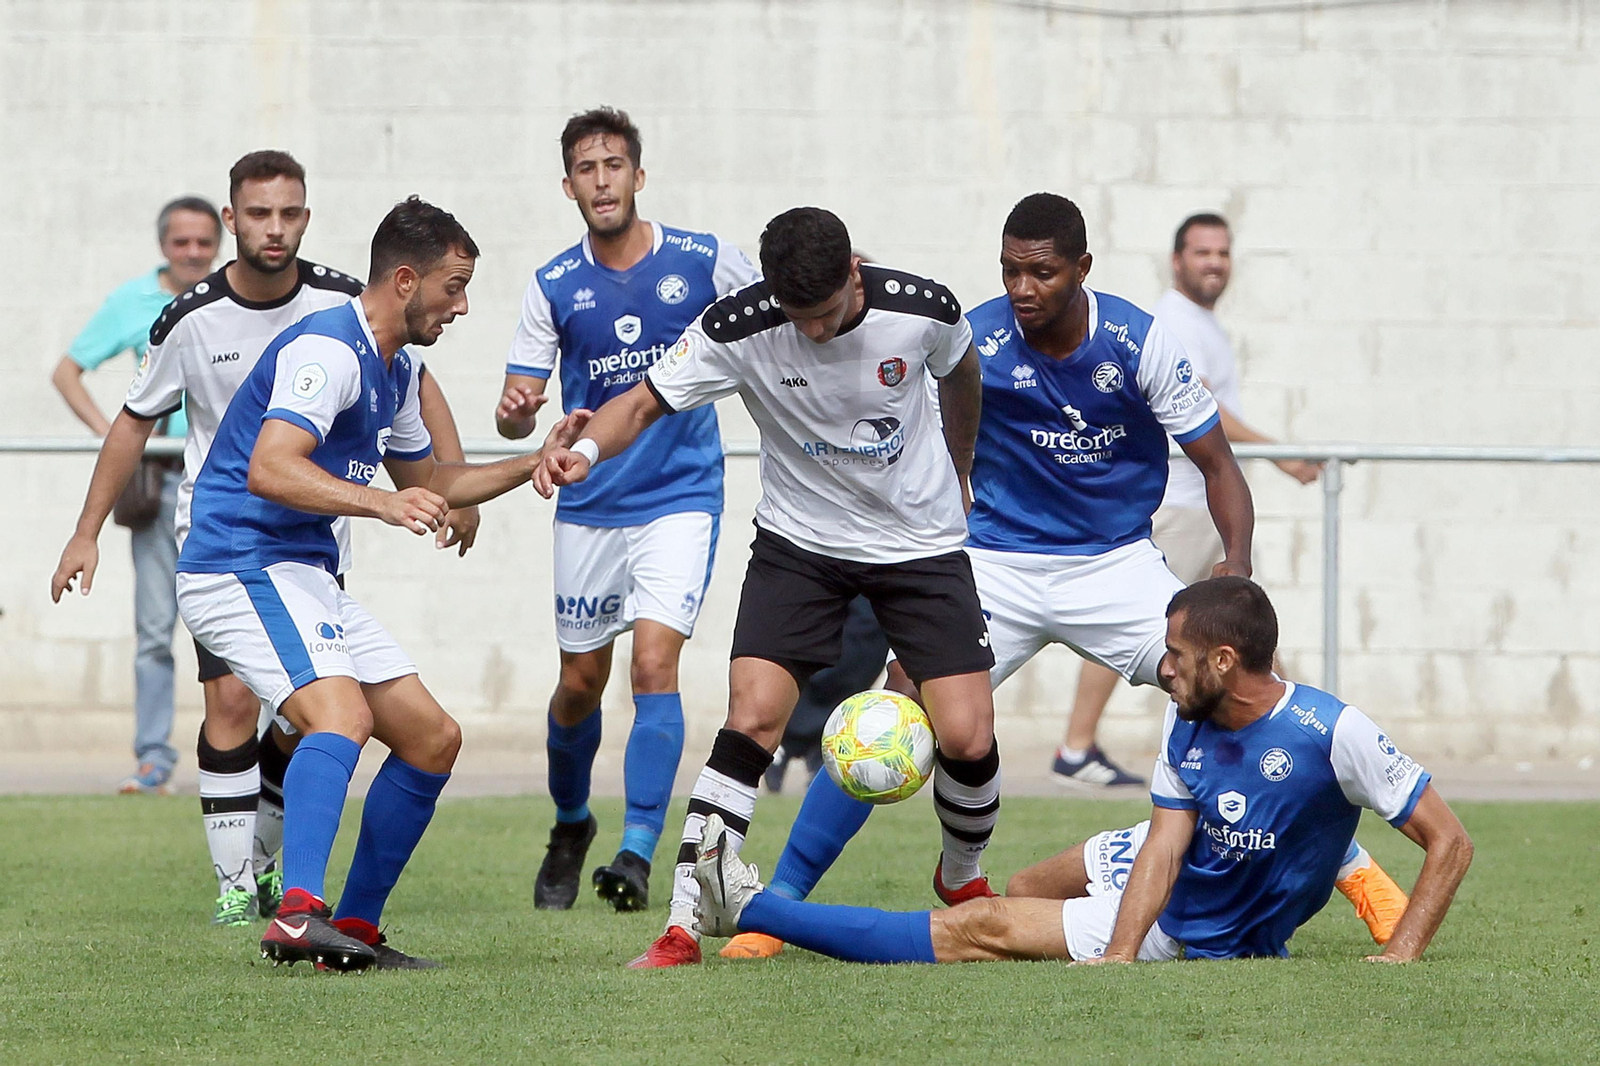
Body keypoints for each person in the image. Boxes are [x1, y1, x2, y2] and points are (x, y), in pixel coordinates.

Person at [534, 206, 1000, 969]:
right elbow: (644, 400)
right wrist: (585, 450)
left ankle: (961, 878)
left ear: (855, 272)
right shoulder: (739, 326)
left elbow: (963, 373)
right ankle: (683, 920)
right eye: (797, 317)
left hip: (919, 542)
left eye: (825, 315)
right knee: (751, 719)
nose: (812, 333)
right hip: (801, 544)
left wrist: (963, 465)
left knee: (966, 736)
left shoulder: (924, 309)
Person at [51, 151, 481, 929]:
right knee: (256, 704)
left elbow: (419, 399)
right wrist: (86, 533)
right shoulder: (198, 317)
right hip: (234, 550)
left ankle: (334, 914)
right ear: (232, 221)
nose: (274, 228)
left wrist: (516, 469)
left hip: (317, 555)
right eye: (259, 214)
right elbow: (144, 423)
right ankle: (254, 893)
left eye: (289, 213)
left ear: (307, 218)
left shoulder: (356, 309)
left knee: (411, 733)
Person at [693, 578, 1475, 967]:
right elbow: (1164, 847)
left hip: (1194, 925)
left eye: (1176, 654)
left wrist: (1401, 953)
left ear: (1226, 660)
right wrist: (1118, 956)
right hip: (1178, 856)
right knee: (1026, 889)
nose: (1162, 668)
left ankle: (752, 909)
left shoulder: (1335, 732)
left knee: (980, 927)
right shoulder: (1191, 722)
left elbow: (1451, 841)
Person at [169, 196, 538, 970]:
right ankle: (300, 914)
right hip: (238, 562)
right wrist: (381, 502)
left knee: (433, 739)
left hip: (301, 572)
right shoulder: (329, 351)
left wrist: (534, 463)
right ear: (405, 280)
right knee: (339, 716)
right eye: (455, 286)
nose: (463, 305)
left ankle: (356, 931)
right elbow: (271, 467)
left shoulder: (394, 366)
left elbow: (431, 477)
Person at [494, 107, 758, 913]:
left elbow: (782, 324)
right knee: (579, 682)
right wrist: (516, 410)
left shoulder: (706, 261)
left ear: (639, 177)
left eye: (614, 164)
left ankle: (639, 849)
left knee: (654, 667)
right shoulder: (552, 285)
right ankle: (571, 824)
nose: (601, 179)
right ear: (567, 184)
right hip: (589, 504)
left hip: (680, 497)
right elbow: (516, 414)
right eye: (586, 167)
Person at [1057, 211, 1320, 790]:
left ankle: (1295, 738)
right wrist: (1281, 453)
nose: (1214, 263)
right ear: (1177, 260)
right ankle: (1075, 748)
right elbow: (1203, 408)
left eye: (1222, 253)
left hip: (1204, 509)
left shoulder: (1205, 323)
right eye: (1202, 253)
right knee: (1139, 624)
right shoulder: (1174, 319)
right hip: (1177, 502)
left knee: (1243, 625)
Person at [50, 195, 221, 794]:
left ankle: (245, 756)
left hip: (224, 483)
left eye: (204, 242)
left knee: (230, 627)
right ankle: (154, 759)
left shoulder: (234, 295)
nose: (194, 252)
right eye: (182, 243)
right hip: (160, 480)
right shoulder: (133, 302)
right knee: (155, 629)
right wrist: (114, 434)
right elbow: (67, 369)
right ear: (163, 247)